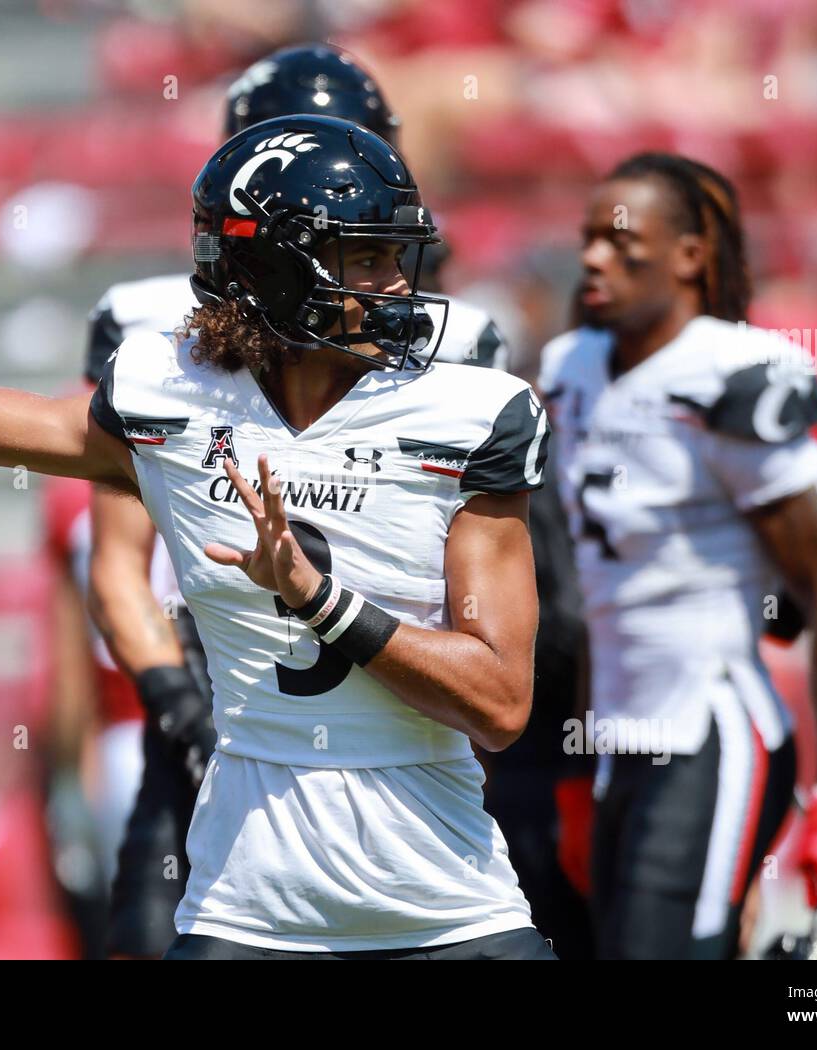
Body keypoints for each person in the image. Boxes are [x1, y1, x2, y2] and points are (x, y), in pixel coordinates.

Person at [0, 113, 554, 959]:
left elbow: (501, 704)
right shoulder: (171, 392)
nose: (396, 283)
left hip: (446, 907)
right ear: (275, 268)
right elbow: (9, 424)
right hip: (248, 908)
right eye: (366, 258)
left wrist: (320, 602)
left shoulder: (469, 415)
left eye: (394, 254)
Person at [83, 42, 511, 958]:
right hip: (217, 677)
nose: (349, 181)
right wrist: (177, 704)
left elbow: (495, 607)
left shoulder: (451, 347)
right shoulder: (152, 344)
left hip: (396, 705)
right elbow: (115, 558)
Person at [536, 152, 817, 960]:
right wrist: (583, 769)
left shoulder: (735, 378)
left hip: (707, 731)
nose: (593, 257)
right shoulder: (570, 368)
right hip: (617, 737)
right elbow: (596, 595)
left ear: (690, 255)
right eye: (587, 238)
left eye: (620, 240)